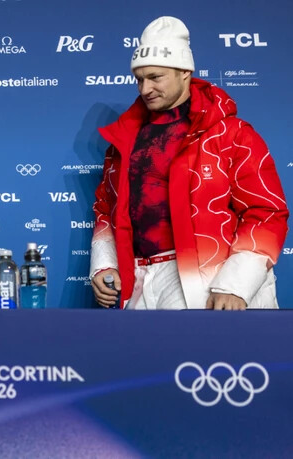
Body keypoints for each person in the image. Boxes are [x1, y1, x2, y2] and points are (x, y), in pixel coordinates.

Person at [90, 16, 288, 310]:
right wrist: (105, 264)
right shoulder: (123, 141)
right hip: (139, 280)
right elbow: (106, 208)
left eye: (155, 77)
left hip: (210, 279)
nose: (145, 89)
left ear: (185, 71)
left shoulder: (232, 134)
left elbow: (267, 212)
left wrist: (235, 286)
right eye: (139, 79)